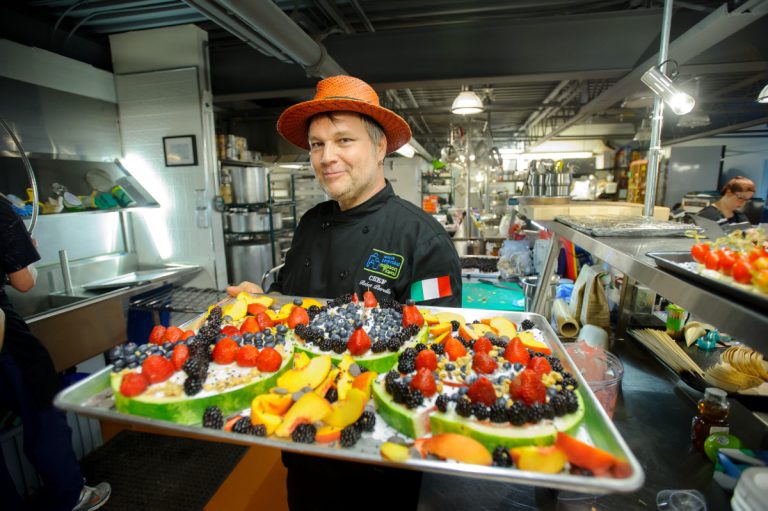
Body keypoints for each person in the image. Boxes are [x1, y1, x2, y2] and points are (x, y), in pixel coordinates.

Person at [227, 75, 462, 510]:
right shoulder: (311, 222)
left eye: (343, 140)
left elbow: (438, 348)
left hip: (379, 455)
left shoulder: (422, 240)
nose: (326, 157)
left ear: (379, 148)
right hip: (302, 437)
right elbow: (290, 303)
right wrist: (262, 305)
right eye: (317, 145)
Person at [0, 196, 111, 511]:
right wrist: (28, 258)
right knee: (42, 402)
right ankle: (70, 494)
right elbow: (22, 281)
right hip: (5, 333)